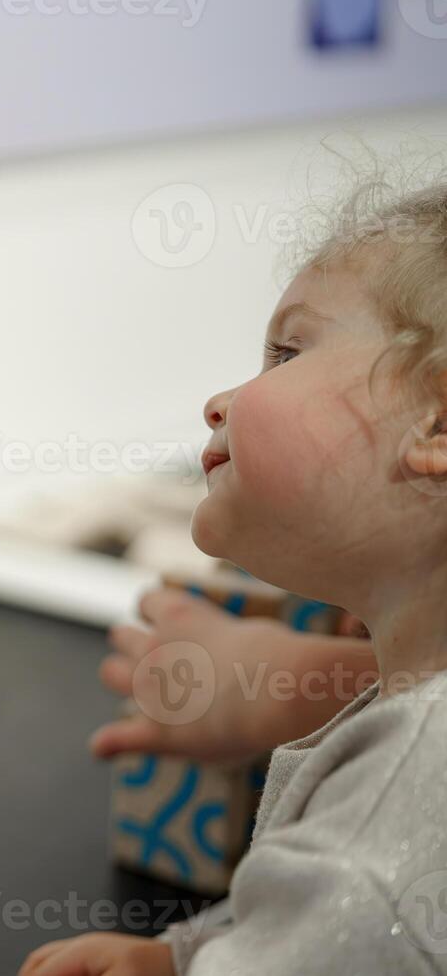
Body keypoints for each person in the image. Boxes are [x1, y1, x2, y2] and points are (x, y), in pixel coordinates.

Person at [23, 169, 447, 975]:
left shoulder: (406, 784)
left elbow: (352, 899)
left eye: (287, 352)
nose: (221, 400)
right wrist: (186, 956)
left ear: (439, 418)